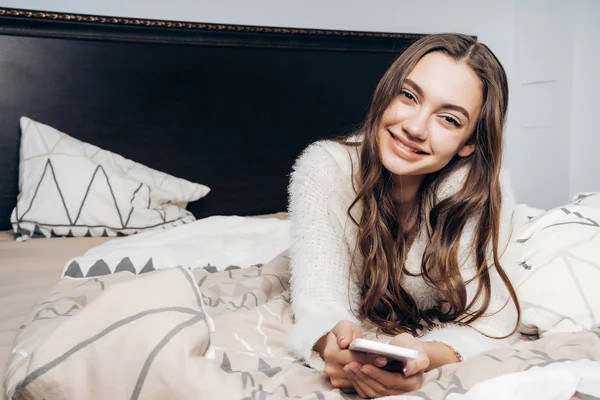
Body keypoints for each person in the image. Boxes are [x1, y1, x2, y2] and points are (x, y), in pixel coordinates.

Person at [285, 33, 526, 398]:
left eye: (448, 118)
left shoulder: (478, 189)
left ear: (468, 144)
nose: (415, 127)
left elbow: (495, 323)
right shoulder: (325, 170)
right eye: (409, 96)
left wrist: (424, 355)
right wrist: (331, 345)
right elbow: (320, 305)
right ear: (386, 94)